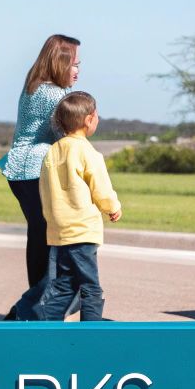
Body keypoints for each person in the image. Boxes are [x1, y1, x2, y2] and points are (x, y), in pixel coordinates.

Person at [0, 34, 81, 313]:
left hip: (18, 170)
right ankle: (33, 308)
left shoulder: (34, 86)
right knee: (49, 241)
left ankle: (35, 305)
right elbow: (67, 137)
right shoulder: (55, 94)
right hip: (34, 170)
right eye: (74, 64)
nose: (77, 71)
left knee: (39, 237)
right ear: (60, 63)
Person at [29, 91, 121, 322]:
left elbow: (45, 189)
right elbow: (101, 187)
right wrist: (112, 207)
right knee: (91, 287)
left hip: (59, 230)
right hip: (82, 230)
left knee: (66, 284)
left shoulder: (53, 150)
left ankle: (45, 324)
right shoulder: (88, 152)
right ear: (89, 120)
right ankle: (91, 335)